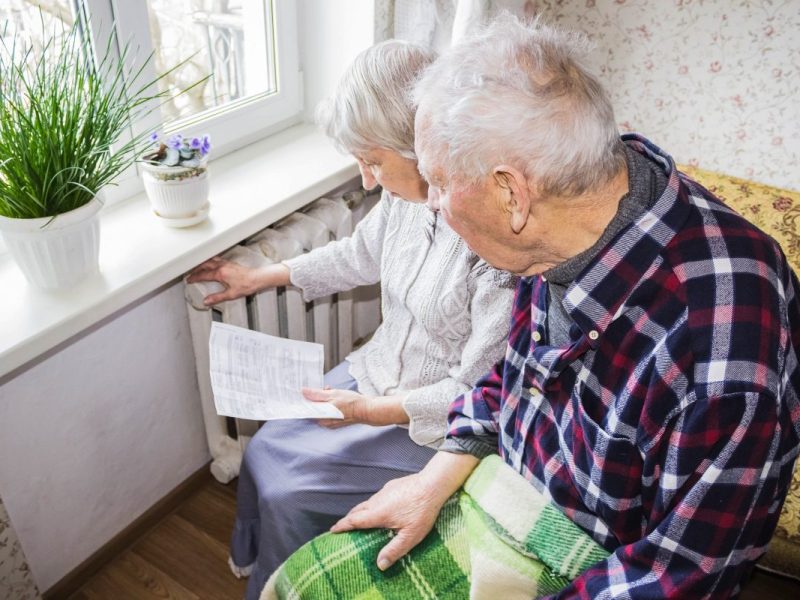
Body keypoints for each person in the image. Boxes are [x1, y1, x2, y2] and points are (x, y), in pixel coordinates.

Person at [323, 16, 800, 599]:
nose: (434, 206)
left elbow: (680, 577)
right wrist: (436, 477)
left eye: (439, 184)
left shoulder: (720, 353)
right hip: (504, 494)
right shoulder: (564, 220)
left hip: (590, 569)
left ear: (510, 193)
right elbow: (511, 375)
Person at [187, 39, 516, 599]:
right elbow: (357, 255)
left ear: (419, 146)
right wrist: (260, 276)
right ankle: (256, 555)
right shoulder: (402, 201)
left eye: (373, 162)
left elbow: (479, 394)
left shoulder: (495, 247)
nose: (365, 180)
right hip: (377, 369)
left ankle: (288, 586)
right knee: (263, 448)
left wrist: (372, 412)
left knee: (292, 490)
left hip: (431, 421)